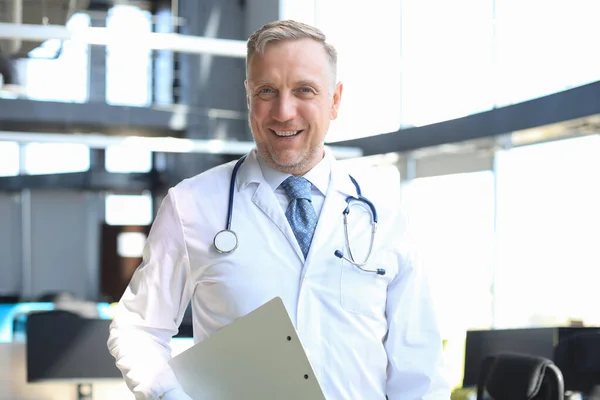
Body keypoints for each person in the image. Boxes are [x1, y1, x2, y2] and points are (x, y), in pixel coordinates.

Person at [107, 19, 450, 400]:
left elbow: (418, 369)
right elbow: (138, 326)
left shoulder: (385, 216)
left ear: (334, 100)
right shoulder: (192, 205)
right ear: (249, 98)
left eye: (304, 90)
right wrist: (170, 396)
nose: (284, 112)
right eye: (267, 90)